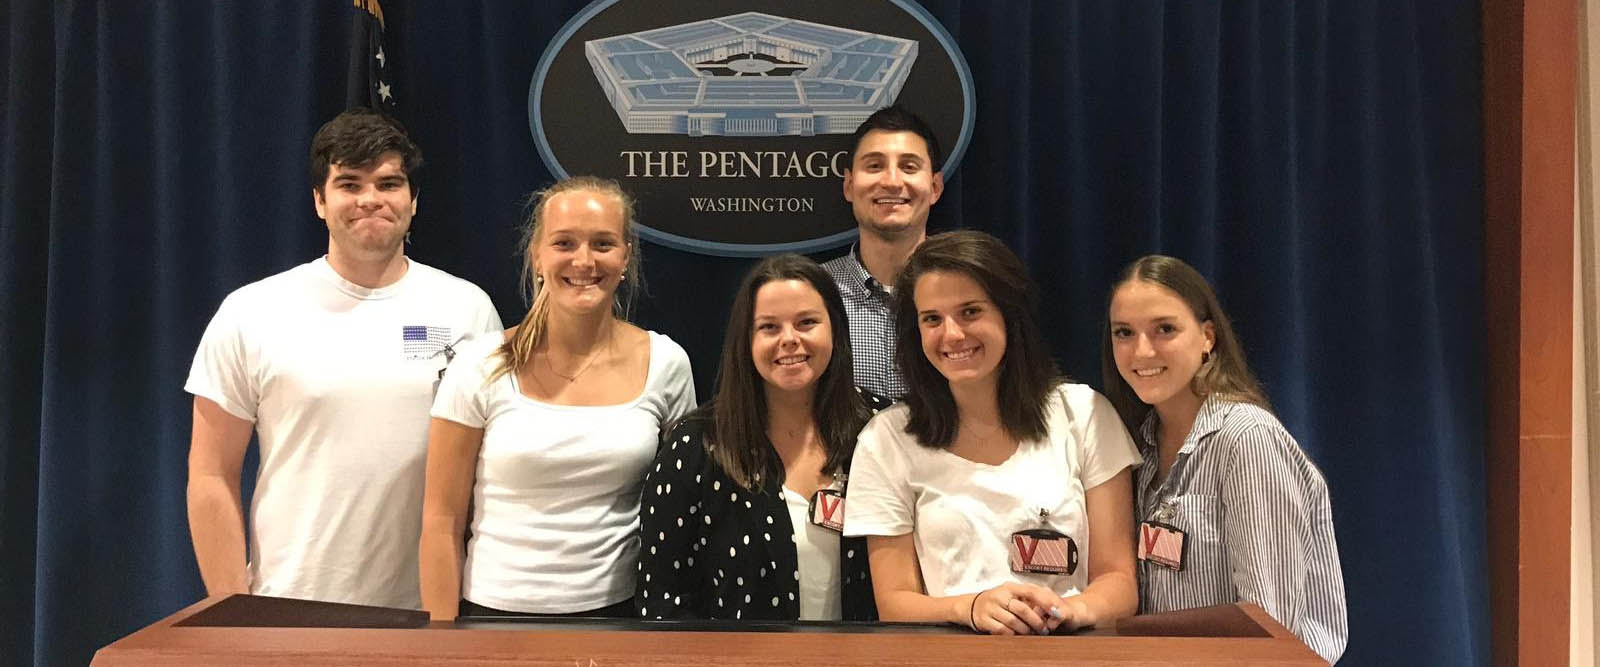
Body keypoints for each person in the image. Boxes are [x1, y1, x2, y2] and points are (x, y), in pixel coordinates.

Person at [184, 108, 502, 608]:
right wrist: (235, 611)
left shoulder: (467, 309)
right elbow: (210, 475)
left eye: (389, 183)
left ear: (413, 201)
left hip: (432, 612)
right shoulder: (252, 311)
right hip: (288, 609)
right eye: (349, 184)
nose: (370, 199)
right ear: (319, 200)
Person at [419, 176, 696, 621]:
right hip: (492, 618)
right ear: (538, 255)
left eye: (603, 244)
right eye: (564, 243)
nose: (584, 261)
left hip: (618, 615)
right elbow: (440, 521)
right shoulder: (479, 364)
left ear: (625, 256)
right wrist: (440, 645)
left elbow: (680, 509)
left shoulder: (666, 364)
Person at [844, 230, 1140, 635]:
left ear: (1008, 314)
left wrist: (1070, 610)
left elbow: (1120, 582)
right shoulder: (885, 439)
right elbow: (895, 602)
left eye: (970, 312)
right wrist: (972, 607)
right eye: (932, 318)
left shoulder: (1085, 414)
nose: (952, 334)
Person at [1102, 255, 1347, 663]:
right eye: (1124, 333)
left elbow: (1269, 624)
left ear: (1208, 337)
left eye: (1164, 329)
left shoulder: (1246, 439)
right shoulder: (1140, 447)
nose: (1141, 351)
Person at [636, 255, 891, 621]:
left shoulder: (881, 431)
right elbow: (662, 602)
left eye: (807, 323)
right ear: (746, 340)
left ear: (835, 328)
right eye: (769, 327)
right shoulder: (696, 445)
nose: (789, 339)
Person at [820, 105, 946, 399]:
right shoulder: (814, 294)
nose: (891, 181)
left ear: (935, 186)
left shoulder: (970, 292)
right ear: (849, 185)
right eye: (874, 166)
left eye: (909, 167)